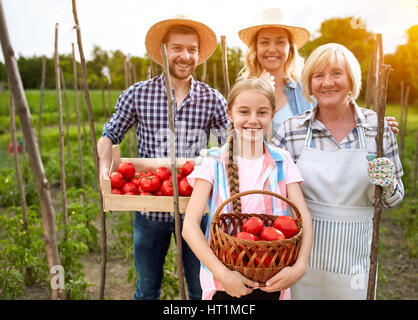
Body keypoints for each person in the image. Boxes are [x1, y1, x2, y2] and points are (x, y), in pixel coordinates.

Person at [97, 15, 230, 300]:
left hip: (197, 212)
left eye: (192, 49)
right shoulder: (138, 94)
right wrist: (104, 168)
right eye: (177, 48)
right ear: (163, 51)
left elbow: (229, 148)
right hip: (149, 211)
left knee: (201, 290)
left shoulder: (213, 99)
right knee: (147, 290)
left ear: (198, 54)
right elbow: (109, 136)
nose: (185, 56)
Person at [272, 43, 404, 299]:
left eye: (337, 73)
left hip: (355, 263)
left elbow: (395, 198)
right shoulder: (291, 131)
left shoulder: (377, 130)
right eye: (318, 76)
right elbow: (271, 195)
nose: (327, 82)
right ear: (309, 84)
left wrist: (387, 184)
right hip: (300, 263)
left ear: (351, 79)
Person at [182, 78, 313, 300]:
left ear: (272, 115)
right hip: (225, 283)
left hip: (273, 278)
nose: (253, 120)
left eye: (262, 112)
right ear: (230, 114)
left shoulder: (283, 161)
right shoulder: (213, 162)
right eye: (244, 111)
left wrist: (299, 266)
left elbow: (304, 218)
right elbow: (189, 227)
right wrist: (223, 274)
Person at [238, 8, 399, 137]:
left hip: (304, 174)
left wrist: (373, 124)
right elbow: (240, 145)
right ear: (256, 48)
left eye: (280, 42)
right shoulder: (243, 91)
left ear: (290, 48)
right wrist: (260, 95)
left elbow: (338, 113)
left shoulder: (306, 87)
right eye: (265, 42)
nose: (272, 49)